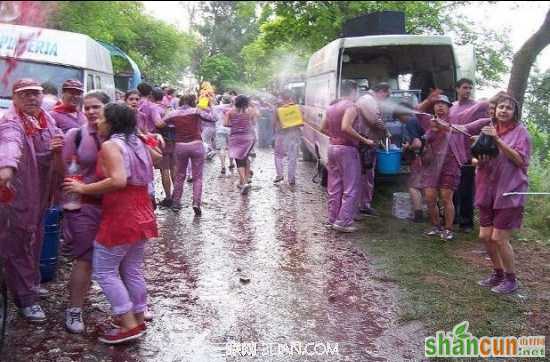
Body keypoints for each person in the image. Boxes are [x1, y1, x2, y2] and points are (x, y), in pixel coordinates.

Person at [63, 103, 159, 344]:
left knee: (105, 270)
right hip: (143, 210)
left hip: (121, 213)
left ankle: (127, 326)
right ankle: (137, 318)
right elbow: (156, 159)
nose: (99, 121)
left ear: (113, 122)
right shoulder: (138, 141)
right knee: (132, 269)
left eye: (103, 117)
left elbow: (118, 180)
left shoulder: (111, 144)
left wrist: (82, 187)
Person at [0, 79, 64, 322]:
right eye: (25, 94)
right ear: (14, 98)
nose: (31, 98)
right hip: (15, 198)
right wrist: (6, 168)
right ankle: (26, 299)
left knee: (34, 243)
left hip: (40, 196)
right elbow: (10, 145)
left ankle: (29, 284)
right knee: (18, 247)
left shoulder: (47, 120)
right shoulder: (11, 122)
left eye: (35, 94)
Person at [460, 94, 531, 294]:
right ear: (495, 109)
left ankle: (511, 279)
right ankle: (498, 273)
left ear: (514, 112)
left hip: (509, 191)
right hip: (486, 189)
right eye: (501, 107)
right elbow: (475, 159)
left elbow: (519, 160)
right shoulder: (488, 129)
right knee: (485, 236)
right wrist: (479, 161)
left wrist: (497, 140)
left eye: (508, 108)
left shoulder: (521, 133)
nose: (503, 110)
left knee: (499, 237)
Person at [62, 91, 110, 333]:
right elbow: (65, 171)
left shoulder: (117, 134)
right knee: (85, 258)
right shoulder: (76, 135)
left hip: (114, 206)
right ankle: (74, 309)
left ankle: (131, 306)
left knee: (119, 256)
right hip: (85, 206)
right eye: (87, 108)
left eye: (96, 107)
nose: (91, 111)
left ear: (107, 108)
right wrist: (66, 206)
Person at [321, 80, 375, 233]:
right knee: (351, 187)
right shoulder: (351, 106)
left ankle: (332, 219)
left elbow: (322, 127)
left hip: (332, 148)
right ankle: (343, 221)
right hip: (347, 149)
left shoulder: (331, 106)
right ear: (354, 91)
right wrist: (364, 140)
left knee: (334, 186)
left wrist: (334, 136)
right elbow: (346, 126)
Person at [416, 94, 462, 241]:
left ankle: (448, 229)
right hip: (432, 165)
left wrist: (442, 127)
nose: (440, 106)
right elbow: (416, 113)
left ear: (449, 108)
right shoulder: (430, 121)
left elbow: (459, 133)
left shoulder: (454, 122)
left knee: (446, 198)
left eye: (444, 104)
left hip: (450, 163)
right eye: (437, 104)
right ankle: (436, 226)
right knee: (429, 198)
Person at [449, 79, 489, 233]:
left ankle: (466, 222)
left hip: (468, 153)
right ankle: (453, 217)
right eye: (465, 88)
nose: (468, 91)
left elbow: (484, 126)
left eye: (470, 88)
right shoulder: (451, 107)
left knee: (467, 188)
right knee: (452, 188)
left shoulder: (477, 107)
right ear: (457, 88)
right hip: (453, 153)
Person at [165, 94, 213, 215]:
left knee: (180, 175)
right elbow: (213, 118)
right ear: (193, 101)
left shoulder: (173, 113)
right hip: (196, 145)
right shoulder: (196, 111)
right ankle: (196, 203)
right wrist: (207, 107)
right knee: (198, 177)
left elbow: (160, 123)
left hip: (180, 146)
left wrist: (172, 125)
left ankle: (176, 203)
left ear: (181, 101)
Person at [395, 104, 426, 222]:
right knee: (425, 186)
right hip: (430, 158)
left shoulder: (411, 122)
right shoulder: (419, 119)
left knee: (413, 186)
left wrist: (407, 147)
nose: (400, 121)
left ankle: (418, 216)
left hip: (419, 158)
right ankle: (433, 212)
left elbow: (417, 144)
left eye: (399, 118)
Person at [225, 95, 258, 194]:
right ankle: (246, 180)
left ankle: (243, 183)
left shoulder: (230, 112)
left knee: (239, 161)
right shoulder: (251, 112)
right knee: (246, 158)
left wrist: (235, 124)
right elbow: (254, 122)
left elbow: (225, 124)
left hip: (236, 138)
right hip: (249, 138)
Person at [273, 91, 303, 186]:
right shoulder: (297, 107)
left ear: (281, 98)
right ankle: (291, 178)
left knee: (278, 155)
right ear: (290, 97)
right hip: (295, 134)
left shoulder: (278, 109)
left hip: (281, 135)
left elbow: (273, 123)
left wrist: (274, 132)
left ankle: (280, 175)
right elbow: (301, 121)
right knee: (292, 157)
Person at [213, 95, 233, 174]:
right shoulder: (233, 108)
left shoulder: (216, 108)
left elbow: (213, 118)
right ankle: (231, 164)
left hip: (219, 130)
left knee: (222, 149)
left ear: (222, 100)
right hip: (231, 130)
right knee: (231, 148)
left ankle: (223, 166)